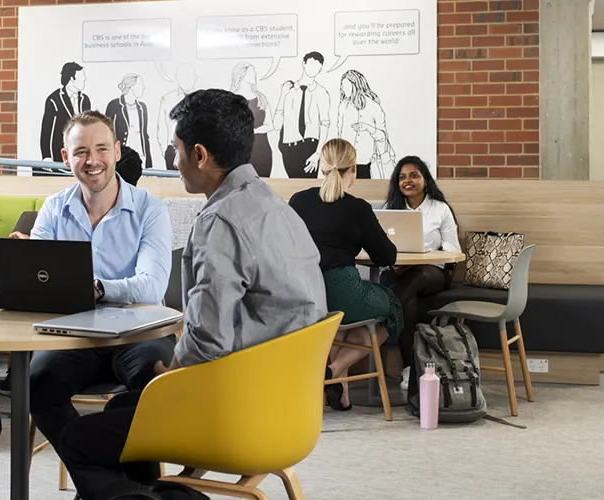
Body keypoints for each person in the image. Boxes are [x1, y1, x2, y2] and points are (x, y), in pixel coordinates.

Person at [56, 89, 326, 500]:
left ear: (199, 155)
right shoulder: (276, 206)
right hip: (290, 409)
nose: (173, 159)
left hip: (237, 412)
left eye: (176, 148)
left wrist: (173, 375)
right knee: (122, 409)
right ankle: (152, 492)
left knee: (79, 438)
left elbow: (207, 340)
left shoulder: (219, 221)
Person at [27, 109, 176, 489]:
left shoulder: (149, 208)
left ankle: (128, 488)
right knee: (37, 382)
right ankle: (114, 490)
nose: (92, 161)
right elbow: (37, 279)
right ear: (65, 157)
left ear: (117, 151)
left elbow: (151, 286)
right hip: (74, 335)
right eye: (80, 152)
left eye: (101, 149)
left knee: (151, 386)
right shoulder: (52, 209)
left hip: (139, 332)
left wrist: (99, 288)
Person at [288, 138, 402, 410]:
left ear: (321, 168)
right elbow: (387, 257)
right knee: (392, 309)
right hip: (342, 289)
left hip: (302, 292)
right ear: (354, 169)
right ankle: (333, 370)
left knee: (346, 324)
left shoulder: (298, 201)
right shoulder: (358, 208)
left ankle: (341, 390)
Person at [381, 156, 459, 378]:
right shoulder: (390, 209)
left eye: (414, 175)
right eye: (402, 177)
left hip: (432, 273)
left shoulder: (440, 209)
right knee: (409, 303)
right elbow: (381, 246)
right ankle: (409, 371)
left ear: (425, 179)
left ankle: (383, 314)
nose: (408, 181)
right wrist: (393, 263)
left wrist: (420, 260)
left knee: (419, 273)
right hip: (398, 273)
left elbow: (453, 251)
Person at [273, 52, 331, 178]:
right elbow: (277, 125)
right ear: (304, 64)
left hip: (311, 147)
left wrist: (317, 154)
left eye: (317, 66)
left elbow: (325, 124)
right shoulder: (288, 90)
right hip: (289, 147)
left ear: (321, 68)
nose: (314, 69)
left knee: (308, 187)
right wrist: (282, 95)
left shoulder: (322, 93)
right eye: (311, 64)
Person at [336, 69, 395, 179]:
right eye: (342, 86)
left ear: (355, 85)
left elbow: (382, 136)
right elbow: (340, 133)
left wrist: (367, 128)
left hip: (365, 163)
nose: (343, 89)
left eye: (346, 85)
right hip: (344, 163)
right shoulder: (343, 106)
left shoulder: (373, 107)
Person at [230, 62, 273, 177]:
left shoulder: (261, 98)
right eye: (251, 72)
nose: (255, 75)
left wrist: (256, 131)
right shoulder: (231, 100)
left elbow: (270, 125)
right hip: (238, 151)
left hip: (262, 150)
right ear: (241, 75)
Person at [105, 74, 153, 170]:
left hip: (140, 154)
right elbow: (107, 133)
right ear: (132, 87)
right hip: (122, 156)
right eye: (140, 85)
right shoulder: (114, 105)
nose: (143, 88)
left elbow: (144, 135)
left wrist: (148, 162)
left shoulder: (142, 107)